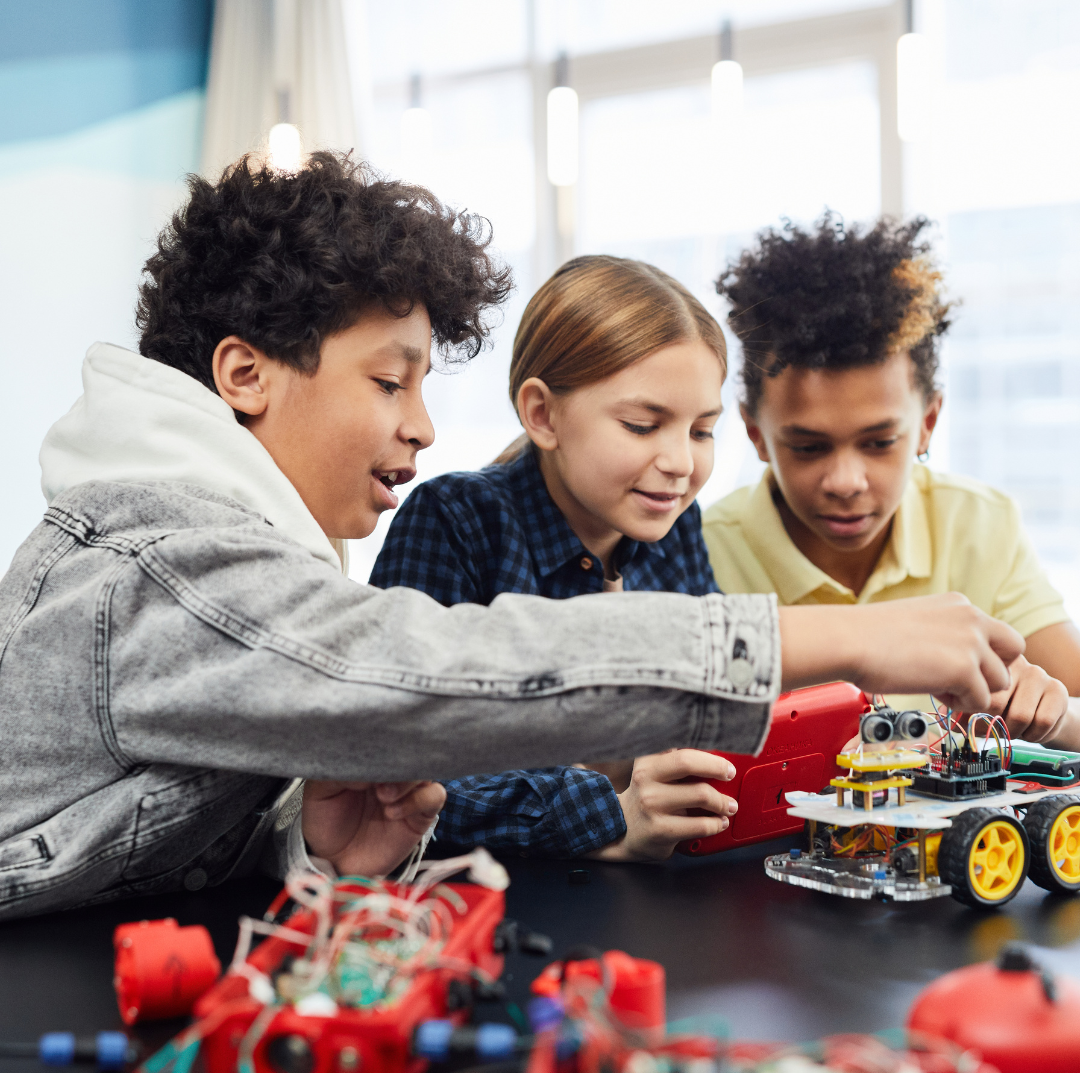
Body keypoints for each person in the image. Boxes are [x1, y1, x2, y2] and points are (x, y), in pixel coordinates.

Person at [0, 155, 1022, 921]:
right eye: (390, 380)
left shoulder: (222, 550)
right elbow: (437, 673)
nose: (424, 427)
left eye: (700, 430)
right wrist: (834, 641)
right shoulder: (164, 561)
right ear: (245, 376)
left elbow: (132, 834)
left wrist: (304, 841)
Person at [371, 256, 738, 862]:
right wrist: (608, 816)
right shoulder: (457, 521)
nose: (680, 462)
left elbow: (716, 707)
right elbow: (401, 781)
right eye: (644, 426)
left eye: (701, 431)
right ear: (542, 414)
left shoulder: (675, 523)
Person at [702, 213, 1080, 750]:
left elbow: (1072, 697)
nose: (846, 481)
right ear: (755, 434)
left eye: (879, 442)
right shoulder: (696, 553)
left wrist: (1056, 715)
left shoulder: (979, 524)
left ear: (928, 422)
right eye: (808, 447)